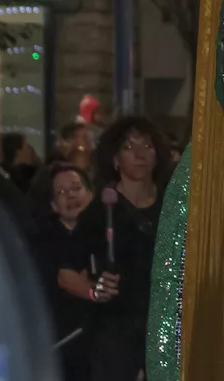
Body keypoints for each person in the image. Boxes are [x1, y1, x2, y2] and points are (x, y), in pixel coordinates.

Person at [80, 116, 171, 381]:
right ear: (115, 158)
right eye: (129, 147)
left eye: (147, 146)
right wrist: (95, 290)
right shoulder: (99, 212)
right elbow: (74, 272)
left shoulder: (173, 206)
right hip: (114, 328)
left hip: (164, 323)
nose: (140, 154)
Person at [31, 162, 109, 380]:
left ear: (91, 193)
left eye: (76, 188)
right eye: (62, 192)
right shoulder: (43, 241)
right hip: (61, 347)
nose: (71, 196)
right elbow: (67, 281)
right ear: (54, 205)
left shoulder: (108, 234)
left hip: (102, 351)